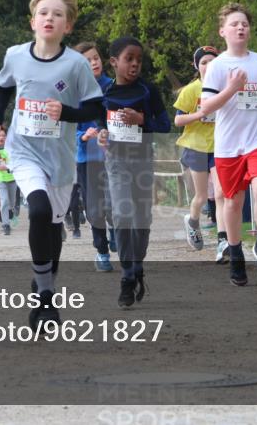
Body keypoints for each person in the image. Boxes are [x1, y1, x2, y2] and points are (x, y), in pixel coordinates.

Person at [0, 0, 104, 328]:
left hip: (60, 158)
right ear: (33, 21)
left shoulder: (76, 64)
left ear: (68, 26)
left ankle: (43, 286)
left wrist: (66, 112)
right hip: (24, 150)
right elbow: (4, 87)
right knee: (37, 210)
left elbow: (95, 106)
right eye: (43, 13)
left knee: (52, 229)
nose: (50, 18)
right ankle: (47, 298)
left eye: (58, 14)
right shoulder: (16, 55)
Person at [197, 3, 257, 287]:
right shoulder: (217, 66)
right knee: (233, 201)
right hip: (229, 142)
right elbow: (206, 107)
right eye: (234, 24)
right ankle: (235, 254)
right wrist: (231, 89)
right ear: (223, 31)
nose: (241, 28)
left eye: (244, 24)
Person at [96, 36, 171, 308]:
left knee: (141, 220)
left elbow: (165, 126)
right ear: (114, 62)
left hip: (142, 160)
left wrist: (142, 120)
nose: (135, 64)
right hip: (116, 161)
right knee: (121, 214)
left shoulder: (148, 90)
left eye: (139, 60)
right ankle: (127, 276)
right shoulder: (104, 93)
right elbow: (99, 123)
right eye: (129, 59)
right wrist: (101, 134)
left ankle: (138, 265)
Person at [175, 46, 226, 260]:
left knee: (221, 194)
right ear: (197, 66)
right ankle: (193, 221)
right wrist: (200, 114)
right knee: (202, 196)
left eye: (212, 61)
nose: (208, 66)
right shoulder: (191, 90)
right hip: (196, 146)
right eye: (204, 62)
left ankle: (223, 241)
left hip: (220, 146)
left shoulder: (225, 88)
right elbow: (178, 120)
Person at [73, 41, 117, 270]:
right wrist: (83, 136)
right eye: (88, 61)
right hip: (86, 157)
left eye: (96, 58)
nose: (94, 63)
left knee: (114, 202)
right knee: (94, 208)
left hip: (113, 155)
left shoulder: (114, 87)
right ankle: (102, 251)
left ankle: (116, 229)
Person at [0, 125, 18, 235]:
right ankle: (6, 225)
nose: (1, 138)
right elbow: (0, 166)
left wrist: (10, 167)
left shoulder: (12, 149)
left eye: (3, 135)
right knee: (4, 201)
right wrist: (10, 166)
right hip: (0, 180)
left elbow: (16, 163)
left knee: (12, 202)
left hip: (12, 179)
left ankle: (11, 210)